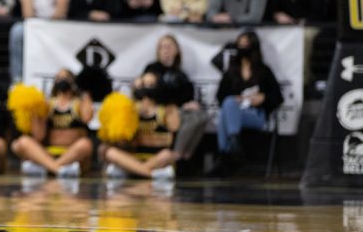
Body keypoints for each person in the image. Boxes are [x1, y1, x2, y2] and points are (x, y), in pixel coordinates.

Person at [215, 31, 283, 172]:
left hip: (256, 114)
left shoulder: (264, 71)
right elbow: (220, 97)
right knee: (228, 105)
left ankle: (226, 155)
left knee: (226, 111)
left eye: (246, 45)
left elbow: (277, 97)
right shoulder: (231, 71)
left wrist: (262, 98)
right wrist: (238, 99)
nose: (242, 49)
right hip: (235, 112)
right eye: (239, 45)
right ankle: (234, 142)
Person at [12, 68, 93, 178]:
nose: (62, 80)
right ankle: (58, 169)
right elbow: (39, 136)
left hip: (72, 154)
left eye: (66, 78)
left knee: (86, 143)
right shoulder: (48, 104)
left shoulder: (78, 103)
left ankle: (47, 168)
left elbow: (87, 118)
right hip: (49, 152)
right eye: (59, 78)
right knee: (22, 142)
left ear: (73, 81)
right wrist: (36, 113)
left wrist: (86, 96)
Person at [143, 35, 207, 169]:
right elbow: (151, 92)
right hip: (160, 109)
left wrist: (189, 104)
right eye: (162, 47)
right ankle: (176, 155)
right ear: (158, 51)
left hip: (177, 109)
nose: (165, 50)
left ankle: (186, 154)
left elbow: (186, 95)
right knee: (193, 119)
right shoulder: (152, 69)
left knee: (202, 116)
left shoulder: (181, 74)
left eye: (169, 46)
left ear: (176, 50)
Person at [100, 72, 179, 180]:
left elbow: (175, 127)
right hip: (135, 157)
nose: (146, 89)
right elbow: (123, 141)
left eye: (150, 85)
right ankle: (151, 174)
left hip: (157, 158)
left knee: (167, 155)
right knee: (110, 152)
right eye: (143, 84)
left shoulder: (165, 109)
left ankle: (132, 170)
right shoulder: (130, 108)